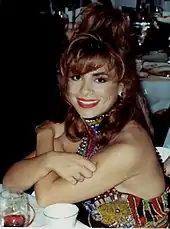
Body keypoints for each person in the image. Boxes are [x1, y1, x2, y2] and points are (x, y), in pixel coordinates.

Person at [3, 33, 169, 228]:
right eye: (76, 77)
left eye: (99, 80)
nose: (85, 90)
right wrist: (48, 160)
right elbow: (11, 182)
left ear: (121, 88)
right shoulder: (88, 125)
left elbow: (47, 197)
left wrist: (44, 136)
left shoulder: (129, 147)